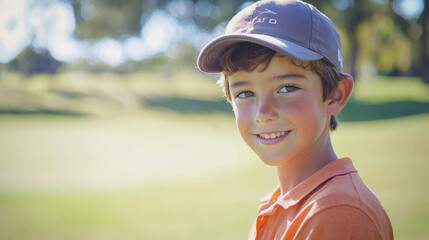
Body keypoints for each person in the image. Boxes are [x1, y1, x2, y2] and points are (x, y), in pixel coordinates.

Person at [197, 0, 393, 239]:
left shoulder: (337, 213)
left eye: (287, 88)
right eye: (245, 93)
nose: (263, 113)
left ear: (335, 94)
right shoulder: (281, 202)